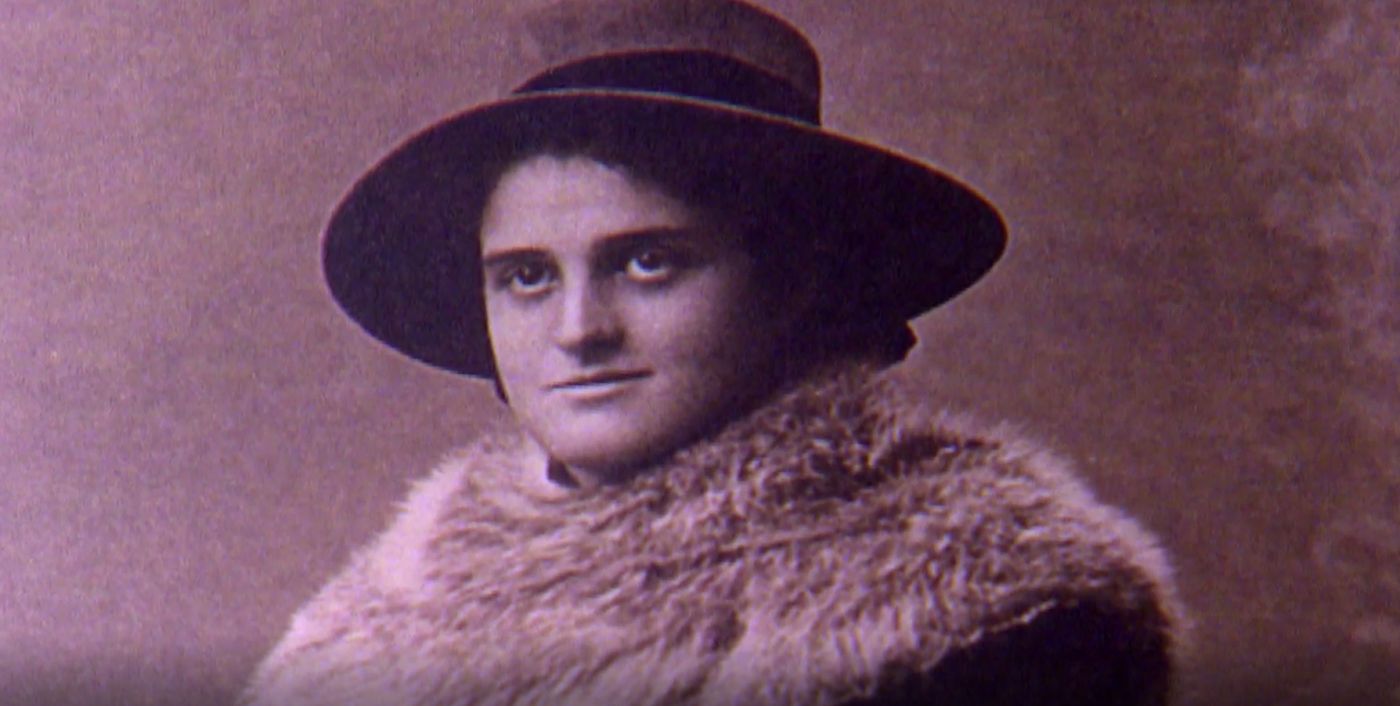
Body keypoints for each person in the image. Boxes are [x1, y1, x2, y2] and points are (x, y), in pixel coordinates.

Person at [242, 1, 1182, 704]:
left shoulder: (987, 616)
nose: (579, 328)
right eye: (526, 277)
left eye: (649, 262)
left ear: (792, 279)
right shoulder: (375, 625)